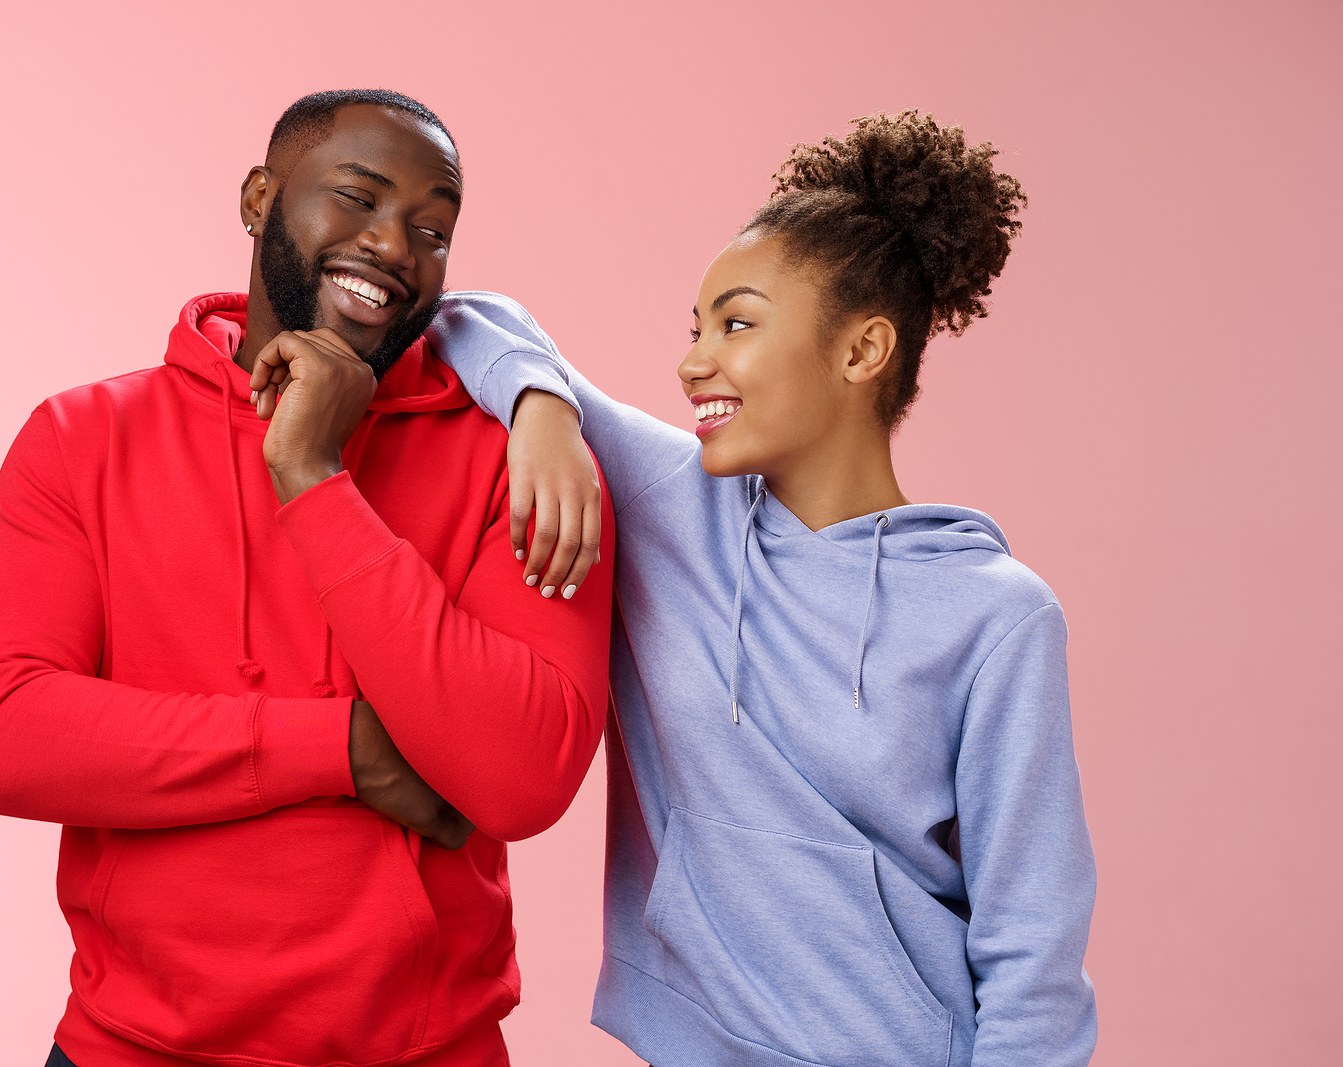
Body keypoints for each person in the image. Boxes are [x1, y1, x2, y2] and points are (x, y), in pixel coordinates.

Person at [0, 89, 613, 1067]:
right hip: (131, 1047)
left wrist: (313, 473)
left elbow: (522, 775)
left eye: (431, 227)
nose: (393, 245)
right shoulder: (83, 438)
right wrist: (339, 746)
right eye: (360, 198)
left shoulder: (516, 460)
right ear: (258, 197)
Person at [429, 112, 1098, 1067]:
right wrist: (542, 411)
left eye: (737, 324)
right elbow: (468, 316)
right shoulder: (671, 503)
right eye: (696, 328)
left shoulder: (998, 614)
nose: (693, 360)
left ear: (862, 352)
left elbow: (1034, 945)